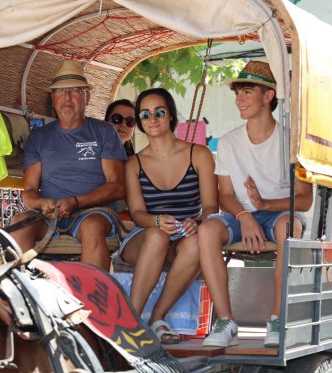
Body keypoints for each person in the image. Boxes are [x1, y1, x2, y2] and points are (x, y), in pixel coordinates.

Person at [198, 61, 312, 347]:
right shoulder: (228, 142)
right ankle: (226, 321)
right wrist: (245, 214)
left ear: (268, 96)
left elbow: (305, 200)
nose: (239, 99)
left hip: (279, 216)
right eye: (237, 92)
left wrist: (266, 204)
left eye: (247, 91)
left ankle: (277, 319)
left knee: (289, 227)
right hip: (241, 216)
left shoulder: (292, 142)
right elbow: (225, 194)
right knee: (208, 230)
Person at [118, 88, 217, 343]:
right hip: (144, 237)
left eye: (159, 112)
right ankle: (130, 321)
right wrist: (158, 222)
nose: (152, 118)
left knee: (197, 242)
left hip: (185, 237)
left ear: (170, 115)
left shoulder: (199, 154)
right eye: (145, 114)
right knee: (157, 237)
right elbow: (138, 214)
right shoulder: (134, 164)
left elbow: (211, 207)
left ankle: (157, 317)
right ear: (140, 121)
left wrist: (196, 222)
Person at [10, 59, 127, 270]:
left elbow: (117, 187)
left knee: (92, 227)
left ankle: (92, 299)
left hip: (94, 213)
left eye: (75, 90)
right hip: (48, 216)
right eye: (61, 91)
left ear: (87, 97)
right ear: (53, 98)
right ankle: (20, 296)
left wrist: (76, 202)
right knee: (19, 224)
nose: (67, 98)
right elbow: (28, 192)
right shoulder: (39, 138)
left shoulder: (104, 132)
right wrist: (42, 203)